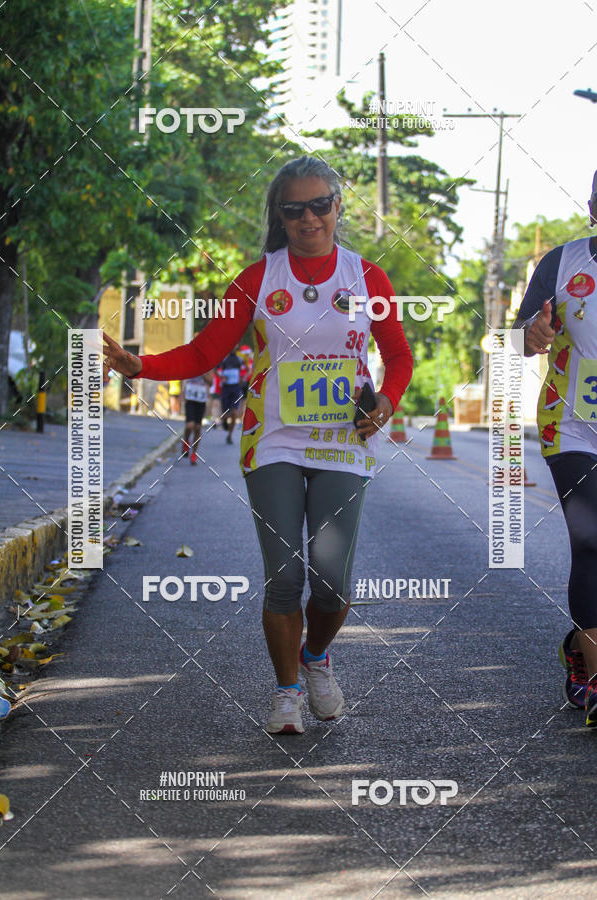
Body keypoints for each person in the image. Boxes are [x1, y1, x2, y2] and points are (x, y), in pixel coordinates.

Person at [103, 155, 413, 734]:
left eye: (320, 204)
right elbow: (204, 352)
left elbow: (398, 356)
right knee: (285, 578)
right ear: (280, 215)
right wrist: (138, 365)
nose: (309, 218)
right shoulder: (256, 279)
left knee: (333, 581)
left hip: (342, 444)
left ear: (338, 207)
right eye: (294, 209)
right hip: (270, 441)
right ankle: (287, 692)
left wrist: (387, 402)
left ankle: (316, 657)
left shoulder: (367, 278)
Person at [515, 169, 597, 728]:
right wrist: (534, 335)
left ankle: (579, 645)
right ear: (592, 203)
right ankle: (595, 678)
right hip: (574, 427)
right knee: (592, 542)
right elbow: (518, 335)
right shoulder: (564, 263)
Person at [182, 372, 212, 465]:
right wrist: (181, 394)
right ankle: (186, 442)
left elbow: (211, 382)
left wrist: (203, 374)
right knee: (189, 426)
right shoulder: (189, 363)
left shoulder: (207, 366)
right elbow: (182, 378)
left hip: (201, 400)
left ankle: (194, 453)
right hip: (190, 398)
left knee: (198, 428)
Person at [219, 346, 244, 444]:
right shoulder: (224, 358)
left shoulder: (239, 359)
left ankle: (229, 435)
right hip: (226, 388)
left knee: (234, 413)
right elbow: (216, 370)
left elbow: (247, 370)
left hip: (235, 388)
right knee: (225, 414)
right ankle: (224, 420)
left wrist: (242, 378)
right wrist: (221, 377)